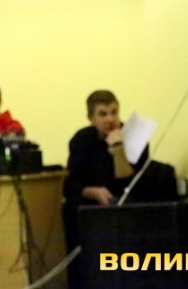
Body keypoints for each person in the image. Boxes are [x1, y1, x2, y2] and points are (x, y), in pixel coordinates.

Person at [63, 90, 150, 289]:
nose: (110, 119)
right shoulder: (81, 140)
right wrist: (93, 192)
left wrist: (118, 150)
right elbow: (70, 185)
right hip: (92, 204)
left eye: (114, 112)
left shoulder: (134, 136)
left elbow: (130, 184)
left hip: (126, 201)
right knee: (71, 209)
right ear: (91, 118)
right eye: (103, 114)